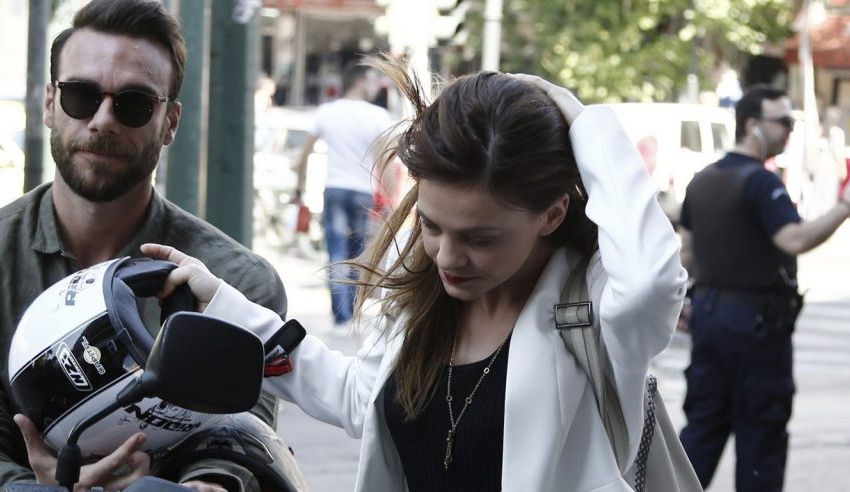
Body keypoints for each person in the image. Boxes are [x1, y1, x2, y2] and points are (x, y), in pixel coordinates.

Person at [142, 55, 688, 491]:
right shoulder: (427, 299)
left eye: (480, 238)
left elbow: (654, 280)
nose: (447, 256)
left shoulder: (596, 310)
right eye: (431, 225)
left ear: (552, 214)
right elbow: (358, 397)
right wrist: (223, 306)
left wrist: (581, 119)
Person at [0, 1, 287, 490]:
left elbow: (239, 443)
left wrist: (198, 488)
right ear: (49, 103)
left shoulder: (240, 283)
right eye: (80, 95)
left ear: (170, 122)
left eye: (134, 103)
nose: (104, 120)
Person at [677, 86, 850, 492]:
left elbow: (686, 254)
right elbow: (794, 239)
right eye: (783, 121)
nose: (789, 130)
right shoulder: (760, 182)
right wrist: (849, 205)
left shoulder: (703, 180)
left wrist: (686, 300)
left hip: (710, 319)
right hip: (756, 330)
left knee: (701, 433)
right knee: (761, 442)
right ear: (752, 125)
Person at [294, 62, 394, 331]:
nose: (376, 87)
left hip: (335, 189)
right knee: (359, 254)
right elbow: (385, 160)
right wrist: (391, 198)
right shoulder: (378, 115)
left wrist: (300, 187)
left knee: (336, 252)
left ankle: (341, 317)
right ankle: (351, 314)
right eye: (373, 80)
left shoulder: (327, 112)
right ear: (360, 81)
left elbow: (304, 154)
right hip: (363, 192)